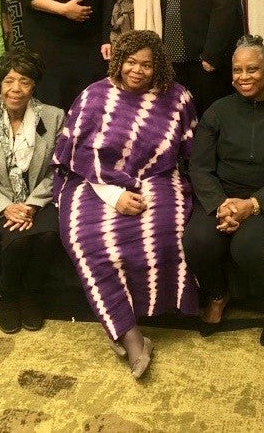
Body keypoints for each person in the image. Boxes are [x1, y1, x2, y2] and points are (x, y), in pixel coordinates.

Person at [54, 30, 199, 379]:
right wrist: (113, 195)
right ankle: (128, 332)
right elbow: (74, 155)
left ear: (157, 66)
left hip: (156, 176)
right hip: (93, 181)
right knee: (86, 238)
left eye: (146, 64)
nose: (137, 70)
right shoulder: (94, 96)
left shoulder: (176, 98)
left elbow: (190, 149)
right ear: (118, 61)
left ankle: (151, 313)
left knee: (166, 228)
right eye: (131, 62)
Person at [184, 36, 264, 345]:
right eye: (237, 70)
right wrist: (220, 205)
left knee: (249, 245)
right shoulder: (217, 111)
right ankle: (217, 294)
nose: (244, 77)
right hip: (222, 196)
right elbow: (199, 167)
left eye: (252, 69)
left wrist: (253, 204)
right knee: (197, 240)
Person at [0, 48, 64, 333]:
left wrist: (30, 205)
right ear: (0, 83)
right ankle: (6, 296)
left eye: (24, 82)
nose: (16, 89)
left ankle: (30, 294)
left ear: (34, 86)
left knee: (46, 234)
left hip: (39, 199)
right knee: (18, 239)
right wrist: (7, 207)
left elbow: (57, 170)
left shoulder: (54, 117)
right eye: (9, 80)